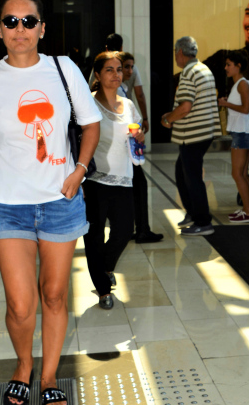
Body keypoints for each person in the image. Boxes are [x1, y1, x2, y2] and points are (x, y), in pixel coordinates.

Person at [0, 0, 101, 405]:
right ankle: (24, 366)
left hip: (60, 201)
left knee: (55, 295)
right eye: (11, 21)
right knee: (21, 304)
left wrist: (80, 169)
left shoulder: (64, 69)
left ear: (42, 28)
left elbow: (91, 123)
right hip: (7, 205)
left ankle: (48, 377)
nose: (19, 29)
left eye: (28, 21)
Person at [83, 51, 145, 309]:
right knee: (94, 236)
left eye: (119, 69)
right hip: (95, 180)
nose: (116, 74)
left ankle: (105, 267)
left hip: (124, 178)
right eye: (109, 69)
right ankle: (102, 289)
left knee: (124, 232)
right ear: (97, 74)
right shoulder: (87, 104)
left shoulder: (128, 105)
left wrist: (139, 136)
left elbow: (137, 132)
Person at [161, 36, 220, 236]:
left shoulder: (188, 72)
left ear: (180, 52)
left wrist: (168, 119)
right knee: (182, 172)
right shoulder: (203, 69)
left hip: (193, 134)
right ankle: (193, 213)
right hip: (204, 132)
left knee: (192, 178)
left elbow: (185, 107)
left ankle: (203, 222)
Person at [120, 51, 163, 243]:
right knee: (137, 186)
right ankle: (141, 230)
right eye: (126, 67)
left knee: (135, 187)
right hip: (123, 148)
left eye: (131, 67)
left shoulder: (121, 89)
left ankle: (136, 229)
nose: (130, 71)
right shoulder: (116, 91)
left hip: (126, 147)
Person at [218, 53, 249, 223]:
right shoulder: (238, 84)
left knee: (237, 174)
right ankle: (248, 209)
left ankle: (248, 212)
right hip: (241, 131)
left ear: (238, 66)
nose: (226, 68)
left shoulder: (242, 84)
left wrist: (226, 104)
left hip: (242, 132)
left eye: (229, 64)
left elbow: (245, 109)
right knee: (242, 174)